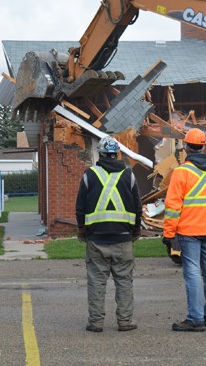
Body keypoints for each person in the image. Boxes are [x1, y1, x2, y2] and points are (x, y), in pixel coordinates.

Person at [163, 128, 206, 332]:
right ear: (203, 146)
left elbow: (172, 207)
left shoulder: (182, 172)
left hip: (188, 230)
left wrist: (168, 234)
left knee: (192, 271)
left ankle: (195, 318)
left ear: (186, 147)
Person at [75, 136, 142, 333]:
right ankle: (125, 321)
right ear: (117, 154)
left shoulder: (90, 175)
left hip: (96, 239)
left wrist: (82, 230)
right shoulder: (129, 176)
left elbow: (80, 208)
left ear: (100, 154)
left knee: (96, 281)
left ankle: (96, 323)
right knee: (124, 281)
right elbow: (137, 208)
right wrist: (136, 231)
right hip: (123, 239)